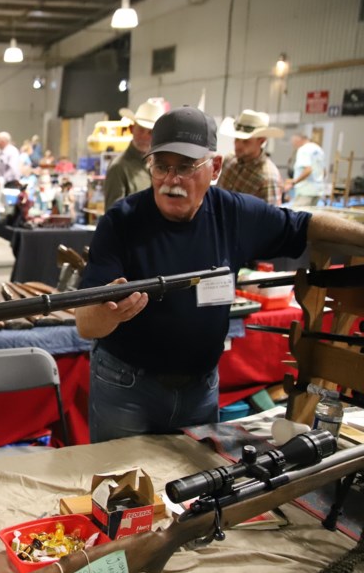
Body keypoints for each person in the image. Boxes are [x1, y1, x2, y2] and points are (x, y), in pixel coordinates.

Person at [76, 106, 364, 443]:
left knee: (196, 489)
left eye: (185, 167)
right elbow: (85, 324)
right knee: (116, 486)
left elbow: (304, 225)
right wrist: (107, 313)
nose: (171, 179)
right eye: (161, 166)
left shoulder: (235, 215)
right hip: (126, 388)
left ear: (214, 167)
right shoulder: (121, 221)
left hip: (200, 392)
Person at [104, 99, 166, 208]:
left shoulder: (161, 166)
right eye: (141, 130)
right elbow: (113, 218)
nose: (144, 137)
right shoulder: (118, 168)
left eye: (150, 132)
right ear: (132, 129)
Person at [216, 110, 284, 206]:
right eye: (237, 139)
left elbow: (273, 217)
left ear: (261, 141)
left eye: (245, 141)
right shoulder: (229, 160)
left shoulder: (268, 177)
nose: (238, 145)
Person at [286, 133, 327, 206]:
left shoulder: (303, 150)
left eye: (293, 143)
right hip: (318, 191)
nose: (294, 146)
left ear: (298, 140)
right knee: (311, 215)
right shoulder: (318, 149)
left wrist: (294, 182)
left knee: (299, 214)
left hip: (305, 190)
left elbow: (308, 170)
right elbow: (324, 172)